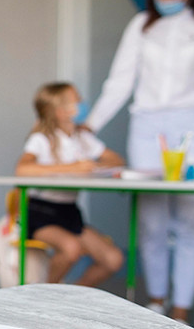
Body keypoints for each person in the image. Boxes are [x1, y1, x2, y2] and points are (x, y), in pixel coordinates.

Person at [84, 0, 194, 324]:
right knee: (151, 219)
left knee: (191, 218)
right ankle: (157, 300)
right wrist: (89, 125)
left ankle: (182, 308)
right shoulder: (142, 25)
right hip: (148, 127)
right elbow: (119, 81)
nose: (165, 0)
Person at [15, 82, 125, 286]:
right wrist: (72, 167)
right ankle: (43, 295)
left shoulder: (82, 138)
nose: (82, 103)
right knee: (71, 248)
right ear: (59, 111)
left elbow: (117, 160)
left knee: (113, 259)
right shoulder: (42, 139)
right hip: (40, 212)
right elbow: (22, 169)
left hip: (70, 213)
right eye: (77, 100)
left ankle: (72, 296)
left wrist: (93, 166)